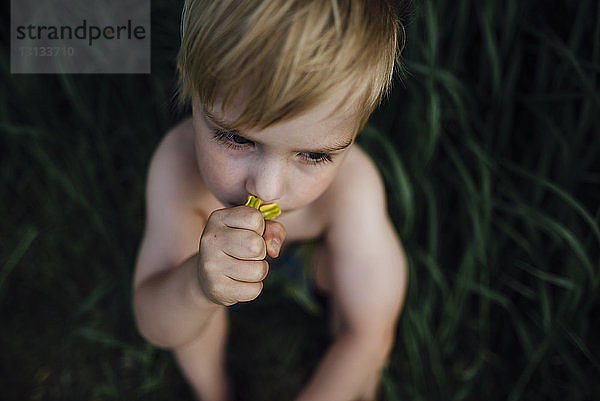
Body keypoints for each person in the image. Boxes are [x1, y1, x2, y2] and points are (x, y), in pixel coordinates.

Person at [133, 1, 407, 400]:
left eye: (313, 155)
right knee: (186, 311)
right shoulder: (177, 171)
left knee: (365, 348)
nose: (268, 189)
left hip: (309, 264)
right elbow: (153, 322)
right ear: (190, 83)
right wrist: (198, 285)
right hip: (205, 265)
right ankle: (214, 391)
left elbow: (370, 335)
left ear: (357, 124)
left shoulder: (353, 188)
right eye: (237, 138)